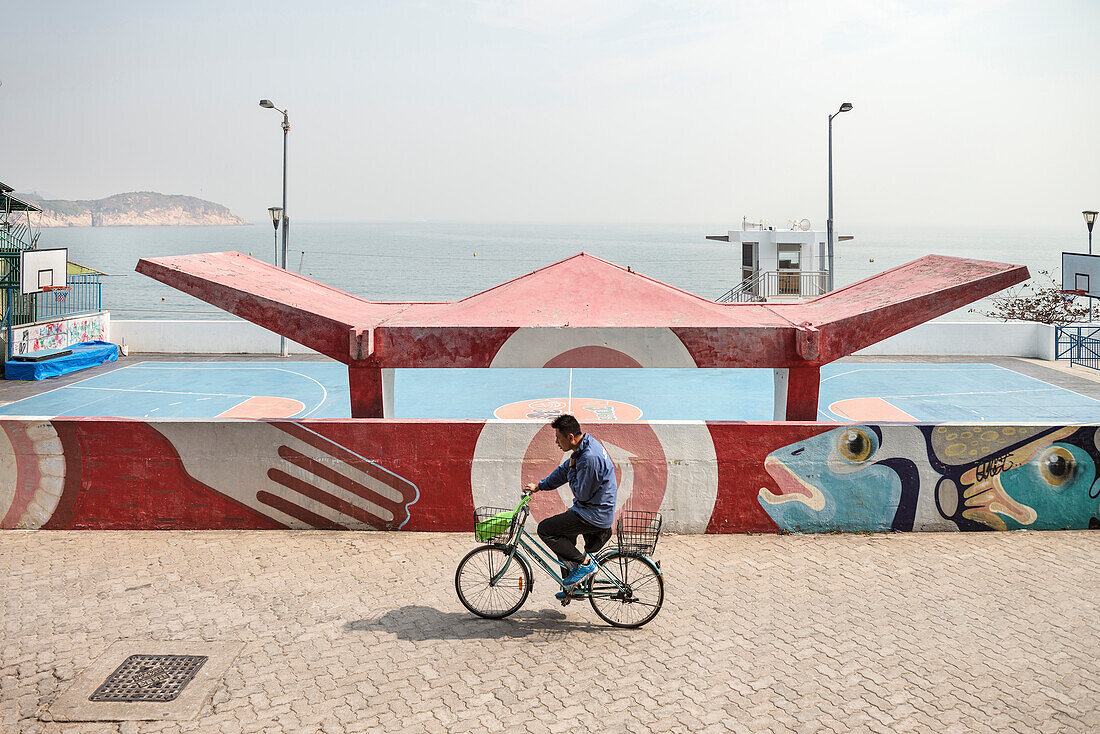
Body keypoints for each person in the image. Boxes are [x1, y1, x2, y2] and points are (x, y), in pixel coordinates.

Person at [525, 414, 617, 598]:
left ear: (570, 437)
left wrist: (573, 470)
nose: (556, 442)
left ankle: (584, 565)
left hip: (594, 514)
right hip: (589, 509)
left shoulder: (589, 458)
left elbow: (581, 493)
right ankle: (573, 588)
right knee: (563, 537)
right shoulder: (583, 447)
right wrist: (540, 486)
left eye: (558, 438)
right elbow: (563, 471)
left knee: (545, 529)